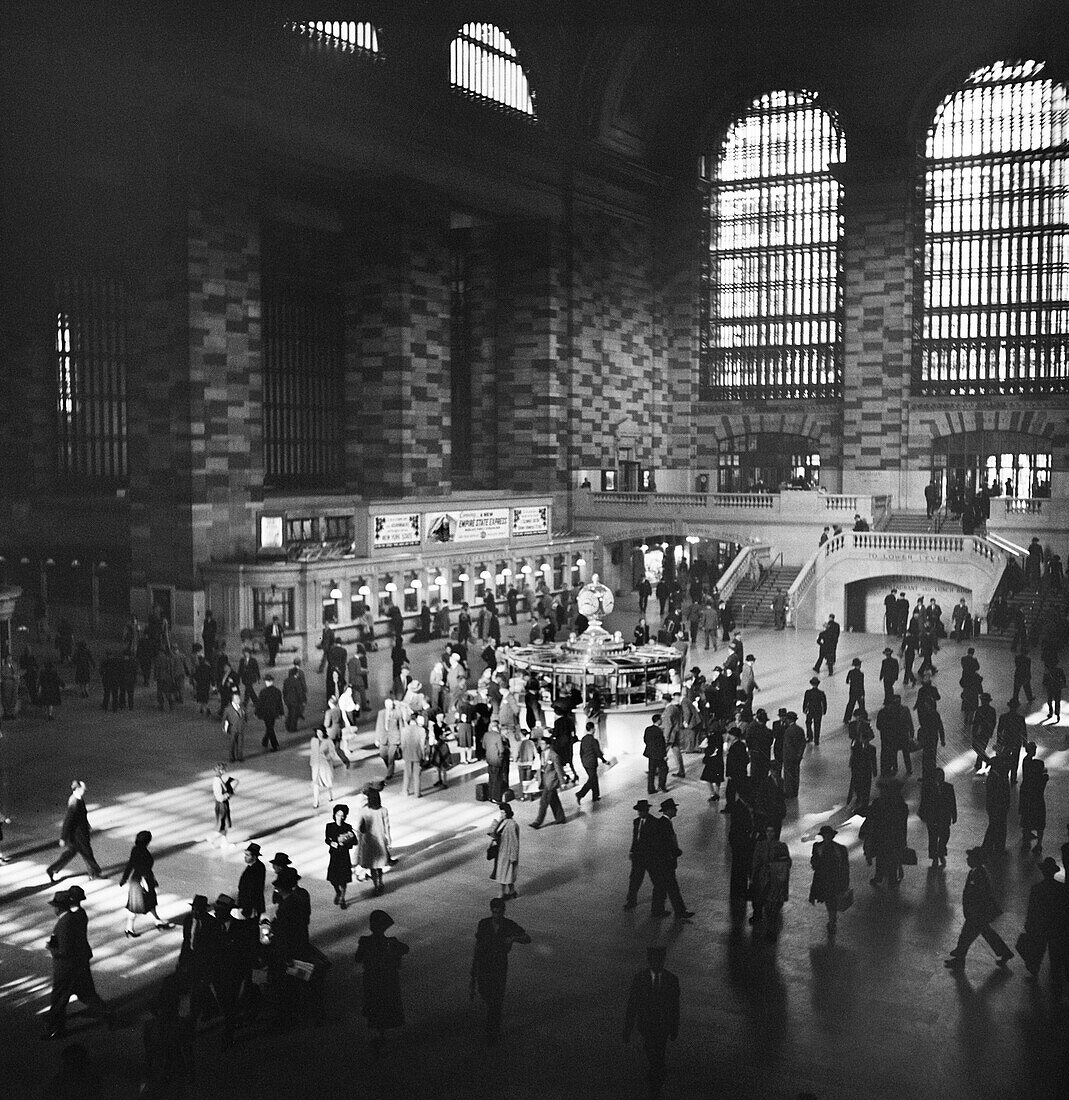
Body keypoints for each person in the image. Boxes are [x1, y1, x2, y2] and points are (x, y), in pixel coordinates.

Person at [43, 885, 114, 1040]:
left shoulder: (65, 922)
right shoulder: (76, 917)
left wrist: (52, 949)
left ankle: (56, 1028)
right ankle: (107, 1014)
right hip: (79, 963)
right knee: (86, 993)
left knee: (59, 997)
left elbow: (65, 950)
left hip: (67, 968)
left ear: (58, 908)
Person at [622, 945, 680, 1100]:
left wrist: (628, 1029)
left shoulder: (642, 978)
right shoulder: (670, 980)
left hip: (653, 1025)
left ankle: (656, 1076)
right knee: (656, 1050)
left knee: (653, 1050)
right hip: (655, 1026)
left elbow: (675, 1007)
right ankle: (657, 1075)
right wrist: (674, 1028)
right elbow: (633, 1004)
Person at [470, 897, 530, 1045]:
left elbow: (527, 938)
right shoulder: (483, 924)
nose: (496, 915)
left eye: (499, 912)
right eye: (494, 912)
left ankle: (492, 1031)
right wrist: (473, 968)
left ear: (503, 912)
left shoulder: (509, 925)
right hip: (484, 965)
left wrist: (513, 939)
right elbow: (478, 945)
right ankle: (493, 1019)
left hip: (499, 966)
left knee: (496, 1000)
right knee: (484, 991)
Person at [945, 847, 1013, 968]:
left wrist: (972, 911)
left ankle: (959, 958)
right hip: (978, 913)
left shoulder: (978, 874)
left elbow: (980, 895)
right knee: (987, 933)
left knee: (966, 936)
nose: (967, 859)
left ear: (976, 860)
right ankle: (1005, 952)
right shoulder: (976, 871)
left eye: (970, 857)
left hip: (977, 913)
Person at [354, 910, 409, 1055]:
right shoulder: (391, 943)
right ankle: (382, 1032)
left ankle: (379, 1031)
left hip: (371, 979)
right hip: (387, 979)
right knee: (386, 1003)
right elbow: (405, 949)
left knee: (375, 1003)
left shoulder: (365, 941)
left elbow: (358, 958)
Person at [1022, 858, 1067, 999]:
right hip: (1056, 926)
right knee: (1055, 953)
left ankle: (1034, 972)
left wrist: (1029, 924)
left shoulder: (1037, 888)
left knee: (1038, 950)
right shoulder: (1061, 889)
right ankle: (1056, 978)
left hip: (1041, 926)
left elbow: (1032, 909)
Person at [47, 780, 104, 882]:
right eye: (83, 789)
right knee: (87, 853)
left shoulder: (79, 799)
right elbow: (68, 821)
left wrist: (87, 825)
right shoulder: (74, 802)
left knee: (71, 853)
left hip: (79, 834)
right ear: (77, 789)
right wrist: (63, 837)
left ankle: (52, 869)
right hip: (78, 835)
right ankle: (94, 873)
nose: (84, 791)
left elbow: (82, 816)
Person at [119, 830, 173, 936]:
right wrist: (148, 883)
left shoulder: (135, 849)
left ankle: (156, 920)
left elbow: (130, 865)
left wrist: (124, 878)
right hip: (142, 882)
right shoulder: (143, 852)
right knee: (139, 905)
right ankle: (129, 928)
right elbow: (143, 870)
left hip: (137, 880)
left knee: (146, 903)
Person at [648, 799, 694, 920]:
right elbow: (665, 844)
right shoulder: (665, 824)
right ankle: (680, 912)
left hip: (661, 862)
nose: (676, 811)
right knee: (672, 888)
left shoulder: (663, 822)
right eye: (674, 809)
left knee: (661, 887)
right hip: (665, 863)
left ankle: (657, 910)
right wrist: (675, 852)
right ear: (669, 810)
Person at [863, 779, 908, 887]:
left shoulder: (880, 802)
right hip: (893, 836)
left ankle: (880, 877)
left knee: (882, 858)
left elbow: (871, 814)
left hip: (882, 836)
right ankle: (891, 879)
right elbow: (902, 824)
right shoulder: (900, 804)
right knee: (891, 858)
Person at [809, 824, 850, 936]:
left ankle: (832, 921)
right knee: (830, 900)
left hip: (831, 879)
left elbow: (845, 867)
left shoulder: (822, 848)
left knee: (830, 900)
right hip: (826, 879)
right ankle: (832, 920)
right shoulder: (837, 849)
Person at [918, 767, 956, 867]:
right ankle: (935, 855)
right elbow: (924, 801)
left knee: (944, 836)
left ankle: (941, 851)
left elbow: (952, 802)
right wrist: (922, 813)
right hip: (933, 816)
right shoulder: (928, 788)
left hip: (944, 817)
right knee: (933, 837)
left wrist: (954, 815)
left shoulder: (949, 787)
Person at [356, 788, 392, 895]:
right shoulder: (383, 810)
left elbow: (359, 827)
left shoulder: (364, 810)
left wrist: (359, 839)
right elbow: (387, 826)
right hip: (380, 839)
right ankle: (380, 882)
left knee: (371, 864)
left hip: (368, 841)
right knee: (379, 865)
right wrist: (389, 839)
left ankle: (376, 884)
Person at [325, 804, 356, 909]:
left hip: (343, 855)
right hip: (334, 855)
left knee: (343, 878)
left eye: (342, 815)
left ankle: (342, 898)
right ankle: (338, 891)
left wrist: (345, 842)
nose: (340, 817)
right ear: (335, 814)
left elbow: (354, 841)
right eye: (338, 814)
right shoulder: (330, 826)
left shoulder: (347, 827)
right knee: (333, 878)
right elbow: (327, 839)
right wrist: (332, 843)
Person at [1018, 741, 1048, 850]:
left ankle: (1026, 839)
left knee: (1027, 817)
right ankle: (1039, 844)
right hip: (1037, 799)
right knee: (1039, 821)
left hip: (1027, 794)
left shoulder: (1027, 762)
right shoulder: (1040, 772)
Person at [530, 740, 566, 829]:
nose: (541, 745)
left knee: (544, 801)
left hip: (551, 781)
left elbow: (559, 769)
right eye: (540, 743)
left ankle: (538, 821)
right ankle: (560, 817)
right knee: (554, 799)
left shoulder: (554, 756)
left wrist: (562, 782)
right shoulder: (542, 754)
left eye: (543, 743)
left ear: (548, 745)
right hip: (545, 780)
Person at [488, 801, 520, 899]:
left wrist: (513, 856)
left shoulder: (511, 825)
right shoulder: (504, 822)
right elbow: (494, 832)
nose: (501, 815)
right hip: (502, 851)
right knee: (507, 874)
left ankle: (501, 894)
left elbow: (514, 842)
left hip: (507, 852)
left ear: (507, 812)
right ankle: (512, 891)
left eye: (502, 813)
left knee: (503, 873)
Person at [575, 720, 607, 803]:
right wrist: (604, 760)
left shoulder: (583, 739)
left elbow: (581, 752)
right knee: (592, 779)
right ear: (592, 729)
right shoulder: (593, 740)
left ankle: (595, 796)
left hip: (585, 762)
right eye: (594, 729)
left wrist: (582, 761)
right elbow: (598, 752)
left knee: (594, 778)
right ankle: (580, 794)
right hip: (592, 763)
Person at [255, 673, 284, 752]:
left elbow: (259, 704)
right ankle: (265, 741)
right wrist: (281, 713)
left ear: (266, 682)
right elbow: (279, 703)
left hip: (266, 713)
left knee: (269, 728)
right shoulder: (277, 691)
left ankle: (274, 745)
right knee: (270, 727)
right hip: (274, 713)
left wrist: (256, 712)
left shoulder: (263, 692)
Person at [781, 712, 806, 799]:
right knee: (796, 774)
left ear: (788, 719)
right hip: (797, 757)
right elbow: (803, 743)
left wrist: (791, 756)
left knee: (788, 775)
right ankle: (795, 792)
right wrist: (799, 755)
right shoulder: (800, 729)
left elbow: (788, 745)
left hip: (789, 757)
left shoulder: (788, 731)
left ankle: (789, 792)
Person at [400, 715, 427, 798]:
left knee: (407, 773)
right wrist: (423, 754)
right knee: (417, 774)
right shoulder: (421, 730)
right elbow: (422, 744)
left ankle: (405, 791)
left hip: (407, 754)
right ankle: (417, 792)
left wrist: (403, 752)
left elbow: (403, 743)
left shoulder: (404, 730)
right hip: (417, 753)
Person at [237, 842, 266, 918]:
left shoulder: (258, 868)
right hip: (247, 903)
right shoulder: (252, 866)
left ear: (254, 857)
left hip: (251, 905)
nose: (245, 857)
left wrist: (249, 907)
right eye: (245, 855)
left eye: (247, 855)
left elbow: (254, 889)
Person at [643, 712, 669, 795]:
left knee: (651, 771)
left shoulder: (648, 729)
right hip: (659, 754)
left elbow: (645, 740)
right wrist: (664, 755)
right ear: (658, 721)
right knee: (664, 769)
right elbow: (661, 744)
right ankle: (661, 786)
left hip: (650, 753)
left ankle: (650, 789)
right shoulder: (659, 731)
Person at [211, 764, 237, 841]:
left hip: (222, 804)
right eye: (224, 769)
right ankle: (212, 838)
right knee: (222, 823)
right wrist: (229, 794)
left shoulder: (219, 779)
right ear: (220, 770)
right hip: (222, 804)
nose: (225, 770)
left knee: (224, 824)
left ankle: (224, 842)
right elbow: (220, 797)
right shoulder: (217, 781)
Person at [283, 661, 308, 733]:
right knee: (294, 714)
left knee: (290, 712)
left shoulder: (286, 680)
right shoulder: (297, 681)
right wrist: (303, 700)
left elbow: (284, 691)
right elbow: (300, 692)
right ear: (296, 673)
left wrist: (285, 699)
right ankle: (293, 728)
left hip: (288, 700)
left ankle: (288, 725)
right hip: (295, 700)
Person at [222, 692, 246, 763]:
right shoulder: (228, 709)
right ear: (233, 700)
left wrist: (244, 722)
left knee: (240, 743)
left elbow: (245, 715)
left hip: (240, 728)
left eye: (238, 698)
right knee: (232, 743)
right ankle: (231, 757)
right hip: (233, 729)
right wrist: (224, 728)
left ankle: (240, 756)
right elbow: (224, 719)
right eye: (236, 698)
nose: (238, 699)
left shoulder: (242, 707)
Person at [802, 677, 826, 744]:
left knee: (808, 723)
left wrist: (804, 709)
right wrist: (824, 711)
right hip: (818, 711)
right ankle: (816, 739)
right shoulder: (821, 693)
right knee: (817, 725)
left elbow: (805, 701)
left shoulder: (808, 692)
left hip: (810, 710)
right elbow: (824, 703)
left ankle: (810, 736)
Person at [844, 658, 865, 722]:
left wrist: (851, 683)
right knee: (861, 705)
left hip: (852, 691)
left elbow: (847, 681)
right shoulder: (861, 674)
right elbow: (861, 684)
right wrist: (863, 693)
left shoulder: (850, 672)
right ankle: (863, 717)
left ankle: (846, 718)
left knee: (850, 705)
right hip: (859, 692)